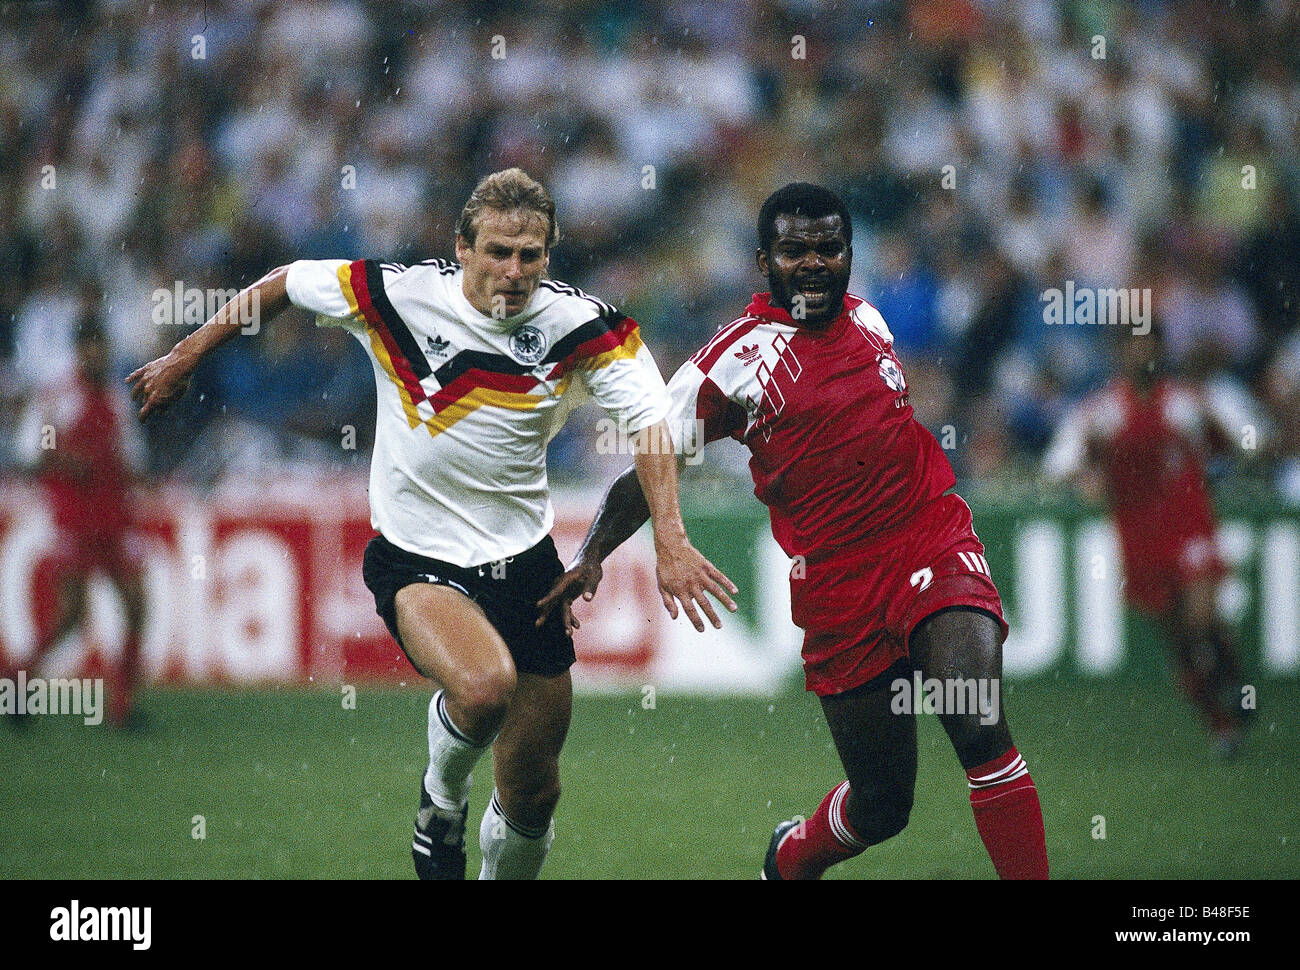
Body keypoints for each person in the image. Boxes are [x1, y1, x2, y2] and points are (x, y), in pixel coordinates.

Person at [128, 168, 736, 879]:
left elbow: (652, 427)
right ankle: (440, 800)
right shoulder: (398, 295)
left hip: (524, 563)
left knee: (536, 790)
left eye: (531, 255)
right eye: (498, 252)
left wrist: (669, 536)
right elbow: (288, 281)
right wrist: (185, 354)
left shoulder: (586, 329)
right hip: (417, 558)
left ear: (549, 255)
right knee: (482, 688)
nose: (514, 271)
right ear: (462, 248)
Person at [540, 183, 1049, 880]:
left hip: (929, 538)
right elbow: (651, 461)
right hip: (838, 587)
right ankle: (791, 857)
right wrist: (597, 551)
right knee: (881, 803)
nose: (814, 263)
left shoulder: (870, 320)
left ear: (848, 252)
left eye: (829, 248)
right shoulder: (731, 362)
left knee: (979, 723)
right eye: (795, 250)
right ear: (763, 261)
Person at [1043, 322, 1254, 756]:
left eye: (1149, 344)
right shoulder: (1100, 411)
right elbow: (1061, 463)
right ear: (1120, 353)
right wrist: (1086, 477)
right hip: (1138, 538)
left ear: (1160, 348)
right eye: (1133, 345)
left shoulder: (1186, 401)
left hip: (1189, 525)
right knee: (1179, 642)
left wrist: (1218, 468)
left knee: (1201, 618)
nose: (1142, 353)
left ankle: (1238, 684)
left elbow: (1238, 443)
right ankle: (1220, 724)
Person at [6, 314, 147, 728]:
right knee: (70, 615)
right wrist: (70, 461)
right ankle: (19, 683)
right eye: (89, 346)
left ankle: (122, 705)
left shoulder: (117, 397)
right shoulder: (57, 396)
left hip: (114, 515)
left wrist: (137, 479)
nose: (96, 354)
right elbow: (32, 451)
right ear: (79, 349)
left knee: (137, 606)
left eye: (101, 346)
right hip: (73, 517)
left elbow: (130, 456)